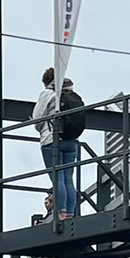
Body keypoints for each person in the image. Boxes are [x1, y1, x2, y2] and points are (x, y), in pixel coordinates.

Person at [33, 67, 82, 221]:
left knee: (57, 178)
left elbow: (37, 118)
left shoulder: (48, 94)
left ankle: (60, 213)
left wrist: (41, 128)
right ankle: (70, 213)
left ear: (46, 81)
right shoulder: (71, 94)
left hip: (51, 141)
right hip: (71, 140)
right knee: (68, 178)